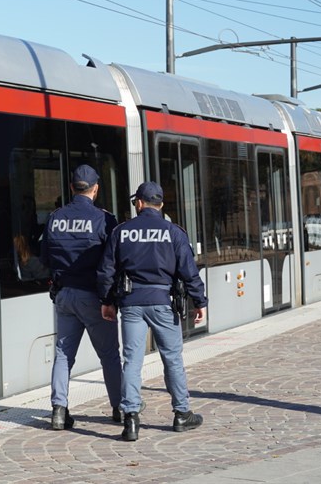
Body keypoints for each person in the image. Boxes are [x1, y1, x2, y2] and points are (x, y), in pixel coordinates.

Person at [98, 181, 208, 442]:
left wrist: (107, 301)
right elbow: (188, 271)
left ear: (139, 203)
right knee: (172, 358)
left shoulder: (122, 232)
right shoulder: (174, 232)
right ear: (161, 205)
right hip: (163, 302)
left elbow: (106, 272)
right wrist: (199, 301)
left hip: (131, 303)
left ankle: (131, 419)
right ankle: (182, 414)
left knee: (132, 361)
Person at [40, 164, 122, 430]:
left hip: (64, 295)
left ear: (71, 186)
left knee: (63, 355)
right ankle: (120, 408)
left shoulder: (55, 217)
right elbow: (113, 261)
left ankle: (59, 411)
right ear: (95, 189)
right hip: (93, 297)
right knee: (109, 354)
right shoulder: (105, 220)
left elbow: (44, 258)